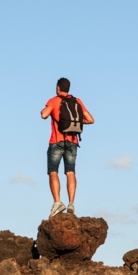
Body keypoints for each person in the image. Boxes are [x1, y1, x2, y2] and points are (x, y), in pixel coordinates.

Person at [41, 78, 94, 218]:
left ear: (58, 88)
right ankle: (71, 204)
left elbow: (44, 115)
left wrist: (44, 110)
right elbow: (90, 119)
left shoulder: (53, 100)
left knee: (53, 172)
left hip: (56, 141)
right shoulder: (77, 101)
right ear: (68, 89)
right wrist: (73, 122)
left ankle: (57, 203)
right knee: (70, 172)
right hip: (72, 141)